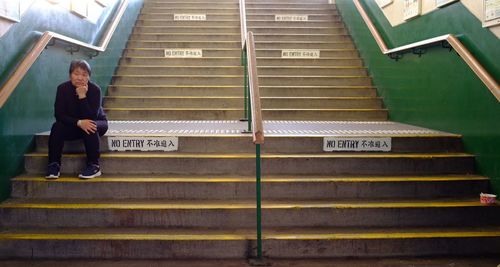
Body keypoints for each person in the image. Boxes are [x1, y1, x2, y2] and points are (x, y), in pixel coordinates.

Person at [45, 59, 108, 179]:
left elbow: (91, 117)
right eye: (76, 74)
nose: (80, 77)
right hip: (74, 125)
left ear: (89, 77)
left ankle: (94, 165)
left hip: (97, 121)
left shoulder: (95, 90)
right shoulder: (62, 89)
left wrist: (82, 96)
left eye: (84, 75)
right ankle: (54, 164)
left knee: (90, 124)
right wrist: (78, 122)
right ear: (70, 75)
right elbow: (59, 115)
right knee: (57, 126)